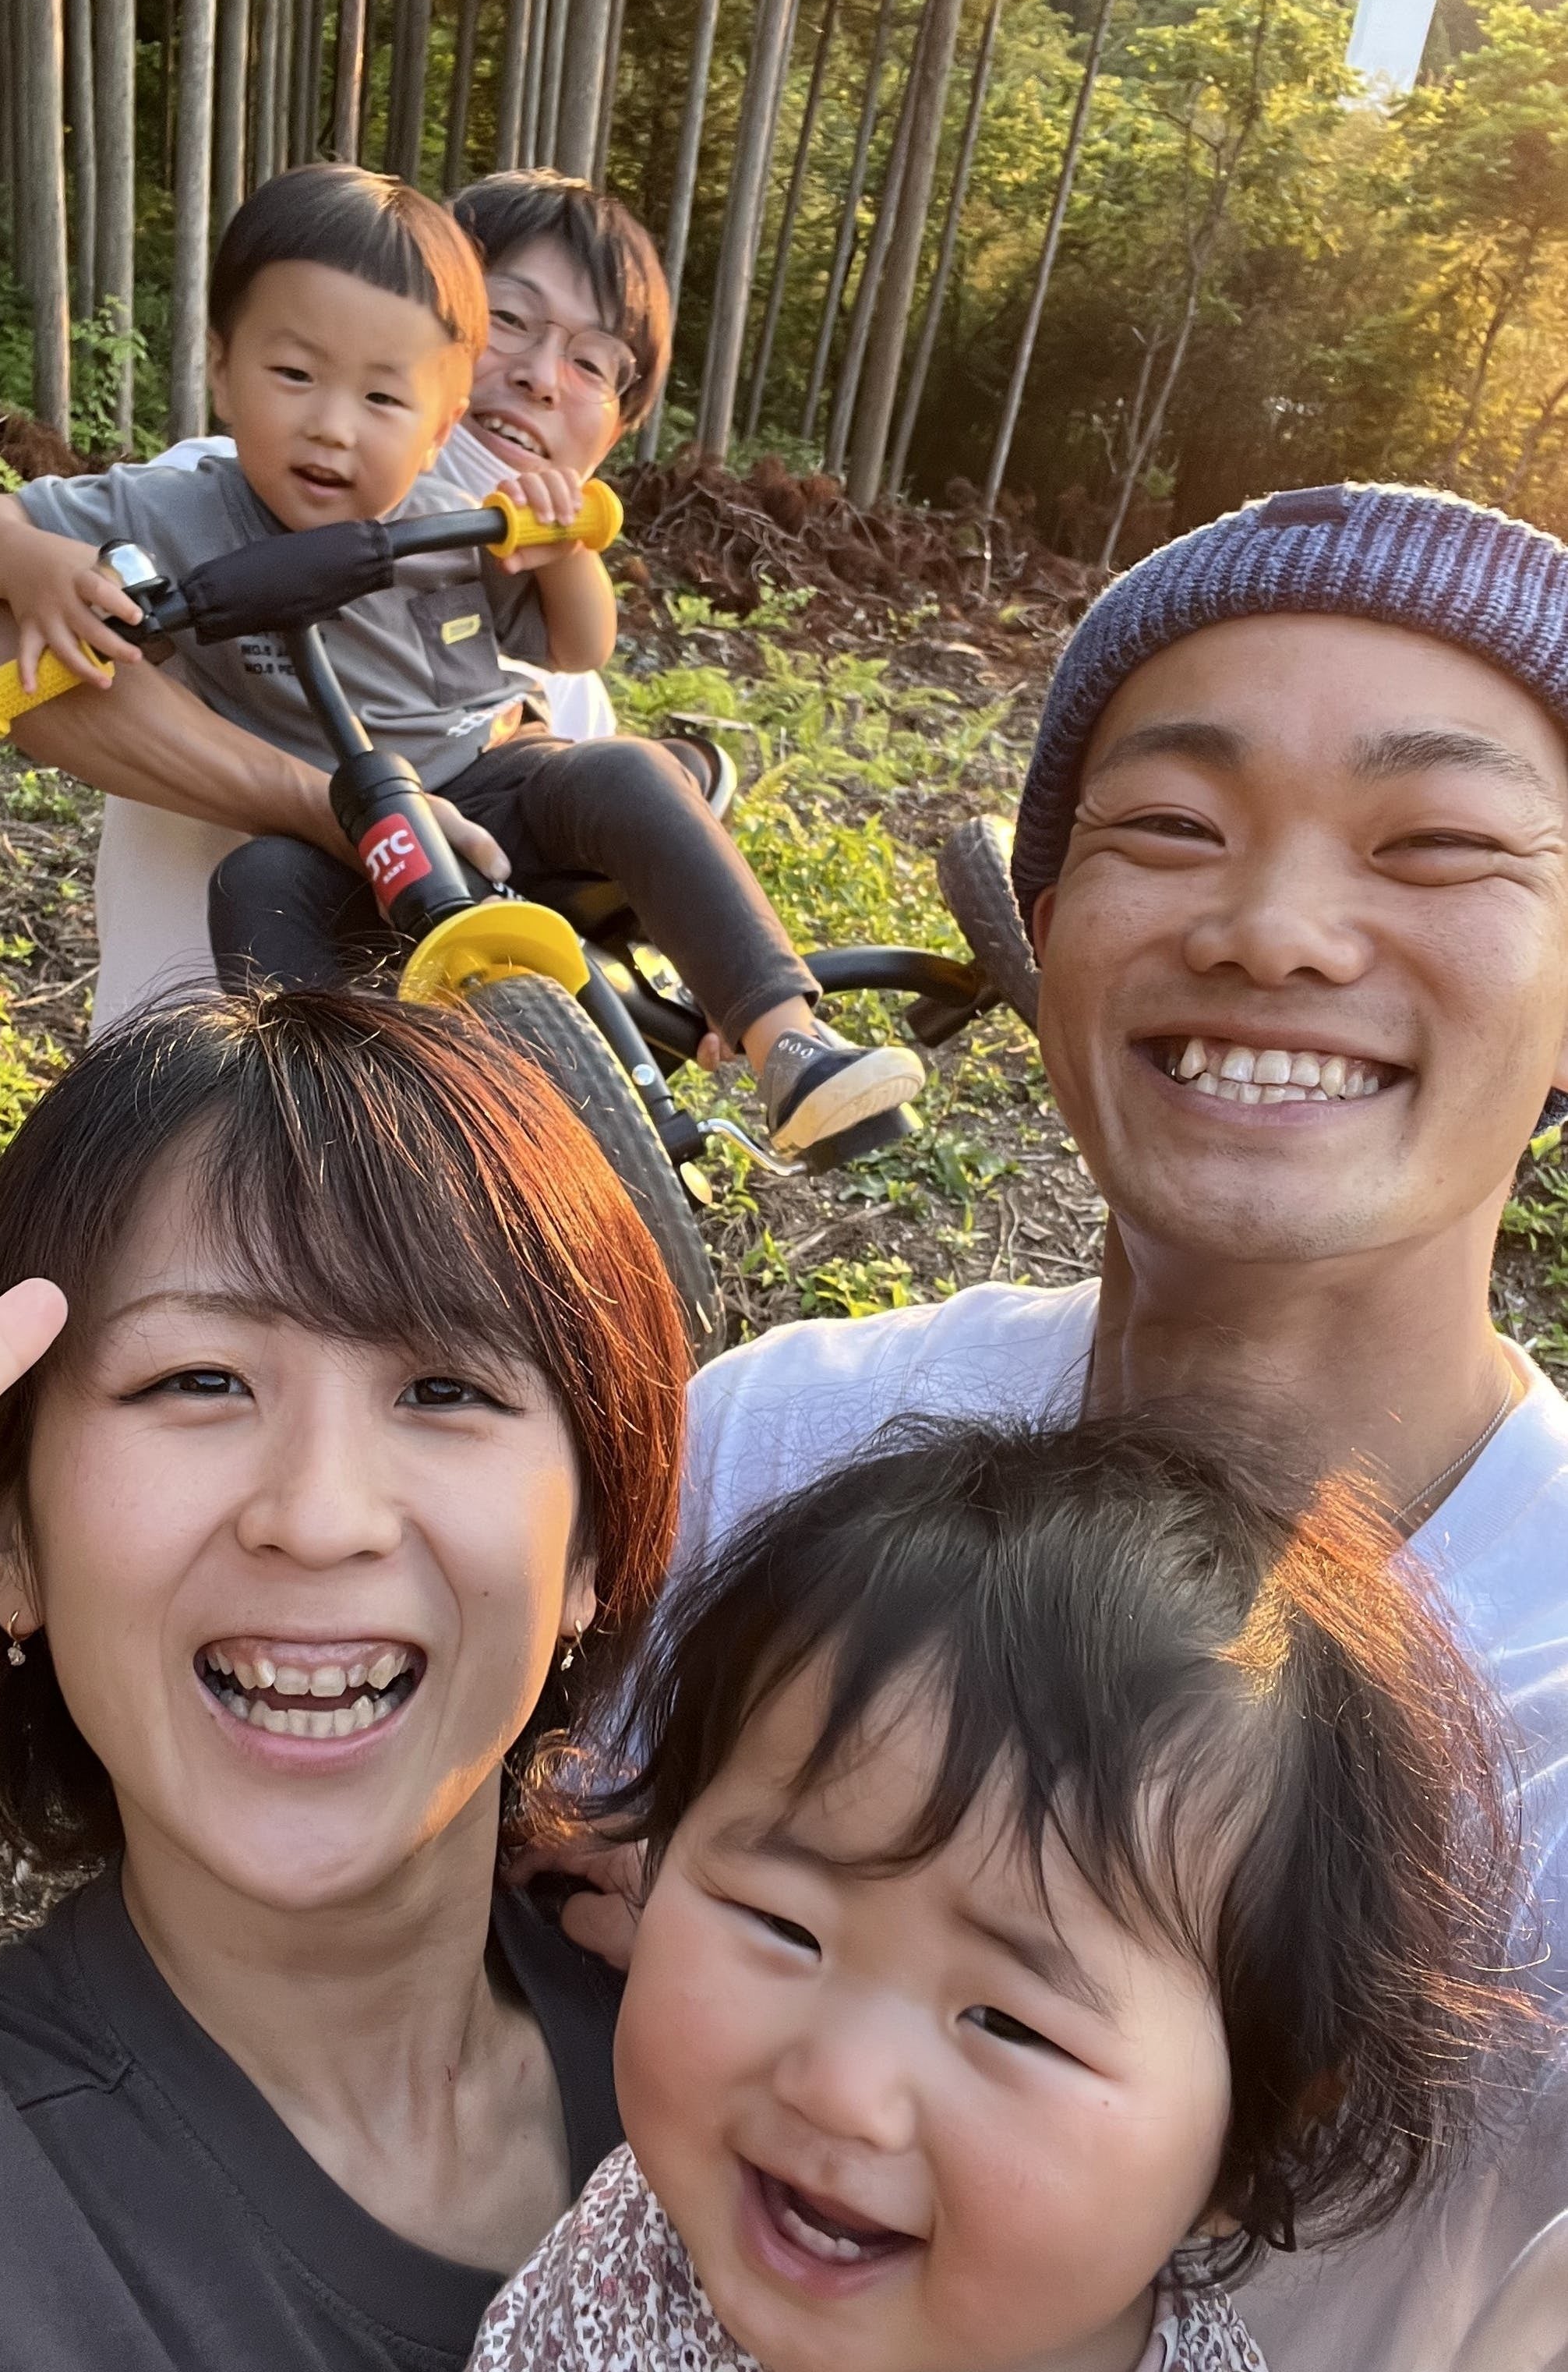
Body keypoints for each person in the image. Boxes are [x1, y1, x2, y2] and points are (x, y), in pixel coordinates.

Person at [651, 481, 1568, 2371]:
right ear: (1049, 936)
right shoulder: (770, 1446)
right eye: (1171, 826)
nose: (1273, 929)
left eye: (1435, 844)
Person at [0, 988, 689, 2370]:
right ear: (13, 1543)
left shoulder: (775, 2105)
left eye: (444, 1390)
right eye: (198, 1380)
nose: (318, 1516)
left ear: (589, 1554)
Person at [472, 1422, 1529, 2372]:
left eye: (1009, 2024)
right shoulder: (638, 2240)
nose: (841, 2089)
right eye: (784, 1927)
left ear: (1244, 2158)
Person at [0, 164, 923, 1165]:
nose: (334, 424)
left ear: (439, 408)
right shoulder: (196, 501)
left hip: (480, 817)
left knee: (629, 772)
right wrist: (34, 565)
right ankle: (312, 1153)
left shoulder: (469, 529)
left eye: (594, 362)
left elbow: (581, 657)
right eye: (511, 321)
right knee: (262, 882)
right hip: (334, 862)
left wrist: (564, 548)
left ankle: (790, 1042)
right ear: (229, 370)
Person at [90, 168, 638, 1034]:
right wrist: (335, 811)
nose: (541, 377)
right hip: (179, 1067)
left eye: (592, 362)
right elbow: (1, 658)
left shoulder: (565, 694)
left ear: (619, 424)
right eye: (510, 319)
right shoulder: (221, 502)